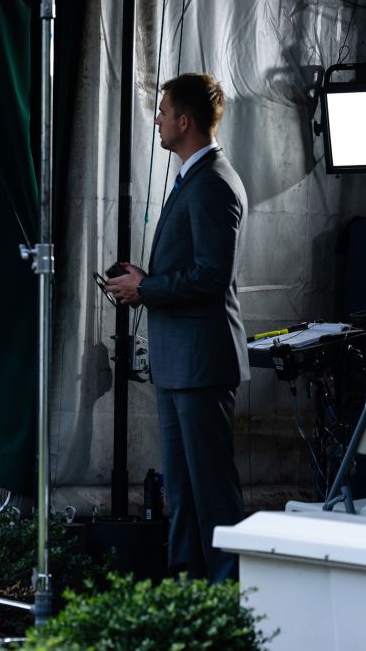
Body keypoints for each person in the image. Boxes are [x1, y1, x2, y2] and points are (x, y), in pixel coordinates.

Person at [106, 73, 248, 583]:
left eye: (163, 111)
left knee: (212, 490)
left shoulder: (213, 183)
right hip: (178, 361)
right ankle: (186, 592)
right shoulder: (195, 177)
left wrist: (146, 289)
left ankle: (230, 602)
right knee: (184, 492)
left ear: (184, 122)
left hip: (201, 362)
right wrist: (144, 280)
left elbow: (213, 275)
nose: (158, 120)